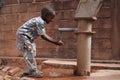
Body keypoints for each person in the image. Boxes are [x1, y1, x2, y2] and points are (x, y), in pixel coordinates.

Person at [16, 6, 63, 78]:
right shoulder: (40, 22)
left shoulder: (40, 21)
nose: (51, 20)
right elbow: (43, 36)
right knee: (30, 52)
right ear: (46, 16)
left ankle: (31, 70)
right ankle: (33, 72)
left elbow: (42, 34)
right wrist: (56, 42)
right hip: (23, 36)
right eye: (51, 18)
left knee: (32, 52)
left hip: (27, 37)